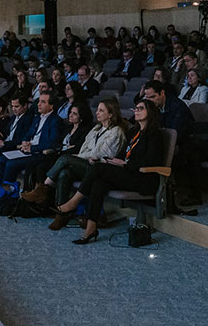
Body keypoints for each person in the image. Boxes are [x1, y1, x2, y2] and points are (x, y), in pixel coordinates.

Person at [50, 101, 165, 244]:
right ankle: (91, 227)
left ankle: (74, 201)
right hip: (129, 173)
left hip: (144, 178)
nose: (136, 110)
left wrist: (126, 163)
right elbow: (123, 155)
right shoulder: (134, 132)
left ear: (151, 112)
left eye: (141, 108)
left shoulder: (155, 135)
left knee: (98, 168)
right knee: (99, 183)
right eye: (135, 108)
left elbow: (151, 161)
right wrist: (113, 160)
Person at [42, 99, 126, 213]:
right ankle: (61, 211)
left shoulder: (116, 131)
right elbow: (85, 147)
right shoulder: (96, 128)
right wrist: (82, 155)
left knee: (65, 158)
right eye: (97, 110)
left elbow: (101, 154)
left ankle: (44, 187)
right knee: (64, 173)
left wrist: (80, 156)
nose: (97, 112)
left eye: (101, 110)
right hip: (88, 162)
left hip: (99, 168)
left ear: (110, 114)